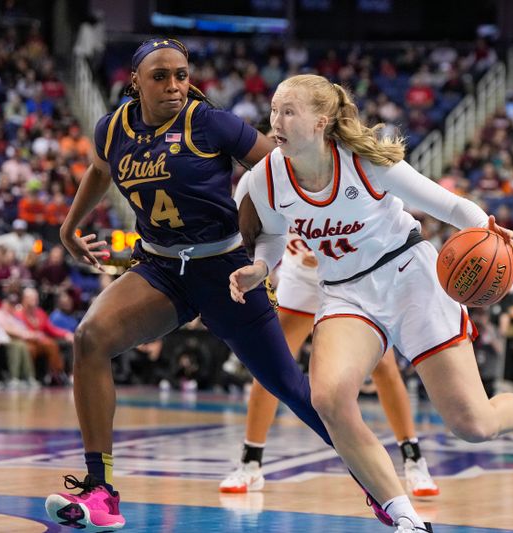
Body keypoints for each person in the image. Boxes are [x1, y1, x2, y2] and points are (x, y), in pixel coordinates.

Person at [231, 74, 513, 532]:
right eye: (274, 110)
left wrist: (490, 232)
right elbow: (275, 235)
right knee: (327, 397)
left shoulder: (364, 163)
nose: (275, 122)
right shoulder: (264, 179)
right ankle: (406, 519)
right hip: (346, 291)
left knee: (473, 424)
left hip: (410, 278)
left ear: (321, 122)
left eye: (288, 112)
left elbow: (455, 208)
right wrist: (261, 268)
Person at [45, 38, 345, 532]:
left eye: (182, 75)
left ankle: (380, 487)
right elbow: (100, 169)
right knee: (89, 339)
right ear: (135, 82)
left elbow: (280, 169)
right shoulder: (113, 128)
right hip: (161, 269)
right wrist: (69, 225)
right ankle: (101, 491)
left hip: (223, 269)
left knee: (289, 387)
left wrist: (299, 231)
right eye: (161, 76)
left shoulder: (210, 122)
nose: (174, 85)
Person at [220, 172, 439, 497]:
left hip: (350, 273)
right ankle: (251, 462)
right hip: (302, 276)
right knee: (270, 365)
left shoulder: (337, 166)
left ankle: (413, 459)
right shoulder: (262, 177)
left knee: (384, 366)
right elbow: (247, 233)